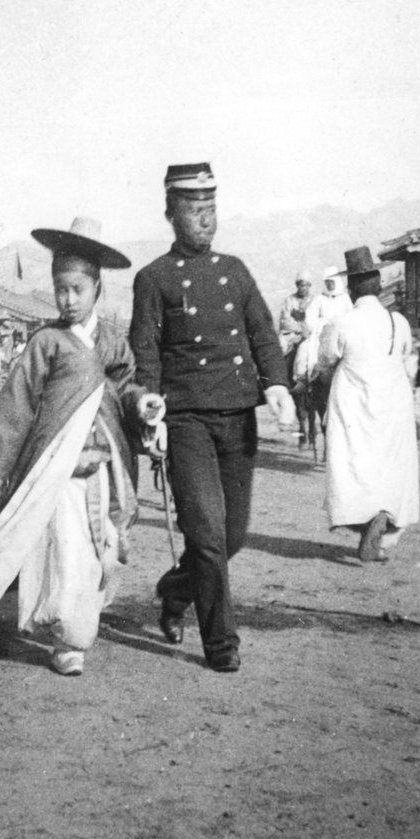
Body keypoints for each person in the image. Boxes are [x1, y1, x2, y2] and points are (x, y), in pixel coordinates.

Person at [0, 217, 156, 677]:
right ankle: (68, 640)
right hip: (56, 471)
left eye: (77, 289)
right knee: (65, 550)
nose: (68, 300)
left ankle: (80, 622)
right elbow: (18, 403)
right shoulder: (46, 342)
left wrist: (142, 403)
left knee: (98, 548)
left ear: (97, 288)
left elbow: (124, 387)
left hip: (104, 465)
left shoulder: (111, 341)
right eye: (60, 289)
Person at [129, 164, 294, 674]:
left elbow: (263, 335)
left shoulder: (237, 271)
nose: (205, 220)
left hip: (238, 417)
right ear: (170, 214)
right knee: (206, 535)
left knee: (234, 536)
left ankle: (175, 590)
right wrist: (151, 408)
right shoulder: (153, 278)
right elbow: (146, 352)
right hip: (188, 422)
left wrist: (279, 385)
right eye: (194, 210)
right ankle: (221, 642)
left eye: (211, 209)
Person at [317, 247, 418, 562]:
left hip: (353, 402)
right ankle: (384, 518)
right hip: (394, 401)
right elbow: (406, 358)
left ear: (351, 289)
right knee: (391, 463)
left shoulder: (340, 323)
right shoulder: (398, 322)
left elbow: (325, 363)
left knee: (355, 461)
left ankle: (365, 519)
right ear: (378, 285)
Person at [295, 265, 354, 385]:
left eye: (331, 282)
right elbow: (310, 318)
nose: (329, 285)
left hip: (341, 333)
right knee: (304, 349)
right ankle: (302, 381)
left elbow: (351, 317)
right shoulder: (319, 299)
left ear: (337, 282)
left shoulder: (345, 298)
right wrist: (322, 323)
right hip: (321, 334)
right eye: (327, 282)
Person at [277, 270, 312, 363]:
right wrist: (299, 326)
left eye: (306, 286)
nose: (303, 288)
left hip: (308, 334)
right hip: (291, 334)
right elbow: (285, 320)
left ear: (309, 286)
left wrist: (300, 320)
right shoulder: (290, 300)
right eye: (301, 285)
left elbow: (312, 319)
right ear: (297, 286)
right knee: (280, 347)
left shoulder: (314, 300)